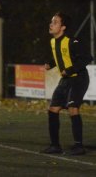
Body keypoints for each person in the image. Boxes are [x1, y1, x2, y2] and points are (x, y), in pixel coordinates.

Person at [40, 12, 92, 155]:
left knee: (72, 108)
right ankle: (55, 146)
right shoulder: (53, 42)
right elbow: (60, 57)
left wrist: (70, 70)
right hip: (66, 80)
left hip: (78, 78)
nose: (51, 24)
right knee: (53, 110)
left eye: (55, 22)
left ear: (63, 27)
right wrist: (50, 64)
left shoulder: (72, 41)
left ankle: (79, 146)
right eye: (51, 21)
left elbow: (87, 58)